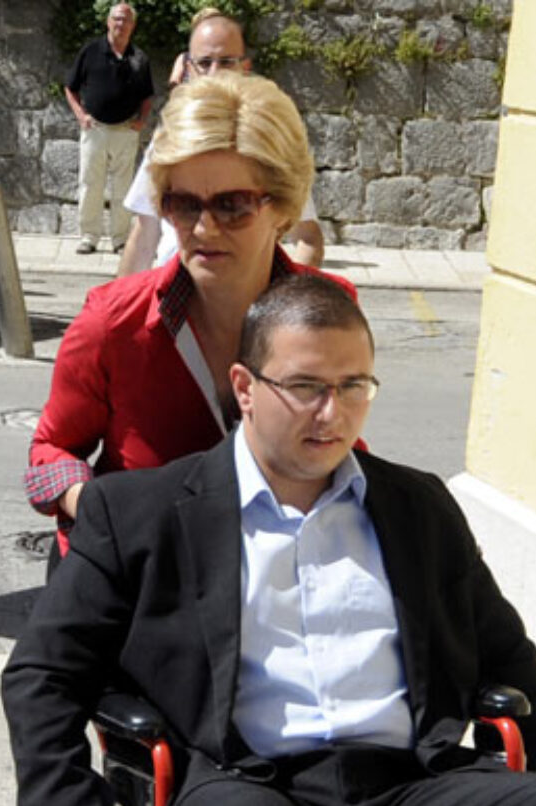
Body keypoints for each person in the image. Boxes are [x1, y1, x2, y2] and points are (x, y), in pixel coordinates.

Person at [4, 274, 536, 806]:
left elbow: (511, 661)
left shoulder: (418, 507)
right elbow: (42, 679)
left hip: (409, 800)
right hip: (249, 795)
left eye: (353, 386)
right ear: (245, 387)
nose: (332, 412)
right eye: (306, 386)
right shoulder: (140, 515)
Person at [25, 73, 352, 564]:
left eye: (232, 206)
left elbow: (342, 448)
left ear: (282, 208)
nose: (204, 228)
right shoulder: (113, 323)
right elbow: (50, 454)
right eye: (183, 205)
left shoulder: (331, 314)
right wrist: (106, 514)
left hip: (279, 578)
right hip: (139, 582)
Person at [116, 9, 325, 277]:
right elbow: (144, 237)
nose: (214, 73)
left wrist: (283, 299)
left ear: (244, 68)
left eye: (226, 62)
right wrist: (121, 301)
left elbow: (308, 239)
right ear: (190, 69)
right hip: (173, 293)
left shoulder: (269, 140)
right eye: (205, 63)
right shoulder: (169, 139)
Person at [63, 3, 154, 255]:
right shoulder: (91, 51)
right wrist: (81, 116)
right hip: (95, 129)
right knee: (90, 184)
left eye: (126, 20)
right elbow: (70, 87)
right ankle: (89, 237)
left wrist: (141, 120)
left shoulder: (139, 58)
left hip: (126, 130)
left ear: (133, 25)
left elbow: (147, 96)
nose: (121, 24)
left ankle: (120, 240)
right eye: (117, 19)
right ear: (108, 21)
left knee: (123, 187)